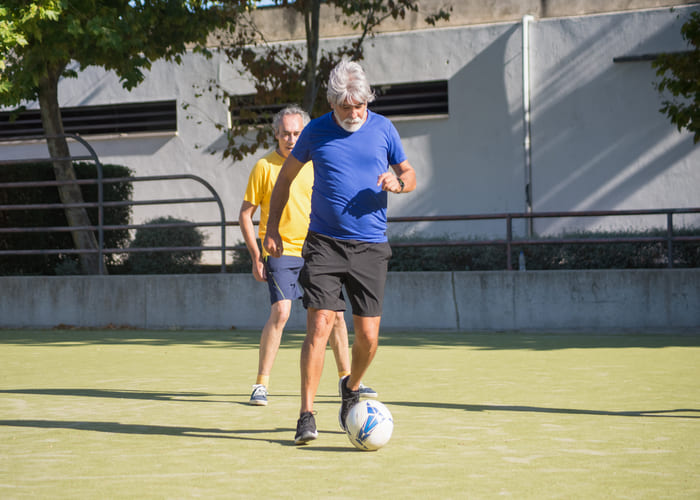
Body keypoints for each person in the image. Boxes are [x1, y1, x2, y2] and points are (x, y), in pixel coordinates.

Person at [263, 60, 416, 444]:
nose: (353, 114)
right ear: (333, 103)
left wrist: (397, 183)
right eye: (346, 107)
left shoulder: (383, 127)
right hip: (324, 243)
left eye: (359, 105)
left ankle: (351, 386)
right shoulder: (315, 130)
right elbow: (284, 180)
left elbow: (410, 174)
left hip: (370, 246)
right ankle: (306, 414)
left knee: (368, 337)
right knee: (320, 325)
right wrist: (272, 230)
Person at [239, 105, 377, 407]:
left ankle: (348, 380)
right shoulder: (264, 167)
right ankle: (261, 384)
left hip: (317, 250)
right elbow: (245, 215)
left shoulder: (316, 162)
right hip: (281, 250)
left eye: (297, 133)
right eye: (285, 133)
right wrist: (255, 255)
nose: (291, 139)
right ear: (276, 134)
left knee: (336, 316)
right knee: (282, 312)